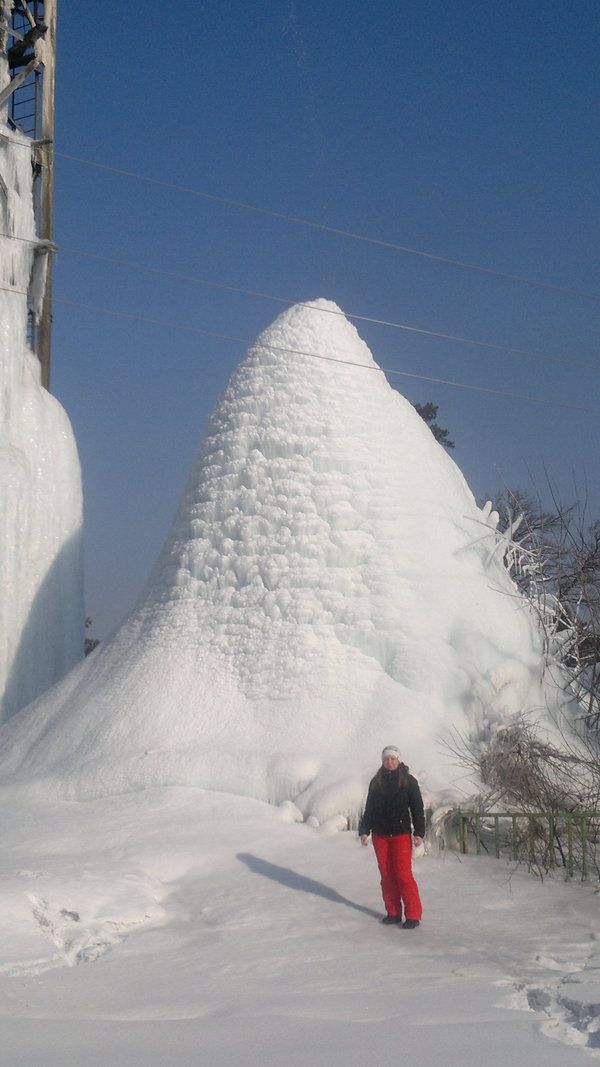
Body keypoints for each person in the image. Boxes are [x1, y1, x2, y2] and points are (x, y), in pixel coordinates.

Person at [359, 745, 425, 927]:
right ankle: (393, 912)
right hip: (380, 835)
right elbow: (369, 809)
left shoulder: (409, 781)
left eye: (393, 759)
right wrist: (364, 830)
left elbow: (417, 809)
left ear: (398, 760)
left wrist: (419, 832)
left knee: (403, 874)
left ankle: (413, 915)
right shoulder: (376, 782)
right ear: (383, 761)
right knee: (386, 875)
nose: (390, 762)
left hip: (400, 835)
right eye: (386, 759)